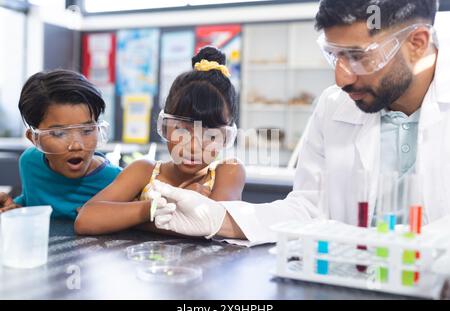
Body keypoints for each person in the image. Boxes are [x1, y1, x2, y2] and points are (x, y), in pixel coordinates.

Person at [149, 0, 450, 246]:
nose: (341, 78)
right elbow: (308, 209)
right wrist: (218, 219)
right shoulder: (334, 106)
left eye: (358, 57)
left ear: (417, 43)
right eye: (334, 56)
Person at [75, 47, 245, 236]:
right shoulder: (143, 171)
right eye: (182, 131)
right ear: (165, 126)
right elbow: (85, 219)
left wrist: (130, 218)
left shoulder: (229, 171)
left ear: (226, 138)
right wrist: (153, 208)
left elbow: (215, 227)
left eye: (211, 136)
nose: (194, 147)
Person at [0, 70, 122, 219]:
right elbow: (31, 201)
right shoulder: (30, 163)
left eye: (87, 130)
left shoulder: (117, 181)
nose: (76, 145)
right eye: (59, 133)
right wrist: (14, 208)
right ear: (34, 138)